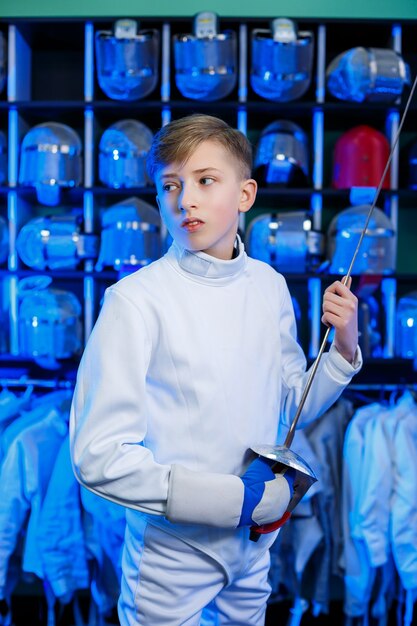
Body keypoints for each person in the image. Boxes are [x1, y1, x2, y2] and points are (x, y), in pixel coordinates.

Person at [70, 114, 362, 625]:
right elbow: (97, 458)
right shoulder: (134, 301)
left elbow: (292, 403)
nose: (186, 200)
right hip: (170, 555)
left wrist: (343, 344)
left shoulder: (268, 285)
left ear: (245, 194)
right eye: (171, 185)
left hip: (252, 549)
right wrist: (237, 499)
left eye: (205, 181)